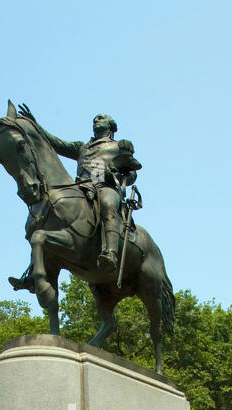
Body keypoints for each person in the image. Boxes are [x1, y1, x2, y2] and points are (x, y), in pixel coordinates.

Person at [10, 106, 141, 281]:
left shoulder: (118, 146)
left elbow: (131, 173)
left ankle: (110, 253)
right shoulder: (83, 147)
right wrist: (35, 125)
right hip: (81, 187)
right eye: (95, 118)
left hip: (105, 187)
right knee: (47, 210)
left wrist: (116, 175)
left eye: (101, 118)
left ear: (110, 126)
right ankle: (33, 271)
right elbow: (54, 143)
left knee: (108, 204)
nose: (96, 120)